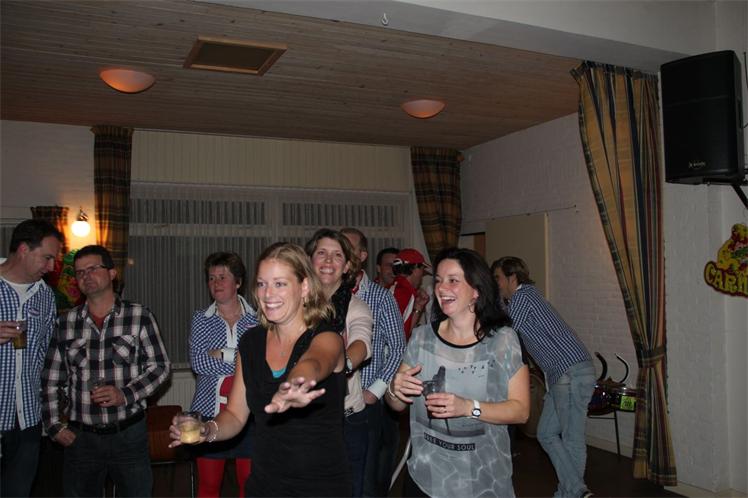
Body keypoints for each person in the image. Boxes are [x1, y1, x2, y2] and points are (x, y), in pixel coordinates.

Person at [169, 242, 351, 497]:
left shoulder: (327, 337)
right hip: (264, 483)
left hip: (320, 486)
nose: (267, 294)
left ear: (304, 287)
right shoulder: (251, 342)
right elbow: (235, 415)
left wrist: (295, 382)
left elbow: (315, 362)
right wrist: (206, 430)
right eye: (262, 284)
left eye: (280, 284)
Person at [386, 247, 530, 498]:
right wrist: (393, 389)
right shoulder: (422, 338)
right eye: (439, 280)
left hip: (482, 481)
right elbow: (396, 405)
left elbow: (521, 411)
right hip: (426, 478)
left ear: (476, 290)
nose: (441, 288)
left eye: (453, 280)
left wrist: (468, 407)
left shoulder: (502, 341)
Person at [42, 244, 171, 497]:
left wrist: (125, 394)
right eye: (80, 272)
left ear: (112, 273)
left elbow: (160, 367)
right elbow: (50, 380)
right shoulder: (66, 323)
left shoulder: (139, 316)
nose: (86, 276)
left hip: (129, 434)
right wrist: (54, 426)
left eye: (92, 269)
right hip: (81, 438)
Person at [493, 256, 595, 498]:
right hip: (564, 373)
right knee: (546, 433)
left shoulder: (523, 296)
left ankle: (573, 493)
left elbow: (505, 330)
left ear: (512, 277)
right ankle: (575, 490)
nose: (495, 283)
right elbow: (506, 321)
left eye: (497, 278)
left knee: (572, 437)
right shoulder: (523, 298)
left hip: (570, 372)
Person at [306, 229, 372, 497]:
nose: (328, 261)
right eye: (321, 253)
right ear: (310, 260)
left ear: (346, 266)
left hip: (346, 419)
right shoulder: (293, 305)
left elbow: (361, 344)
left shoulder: (356, 307)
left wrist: (340, 366)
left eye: (337, 255)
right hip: (303, 419)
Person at [340, 228, 406, 497]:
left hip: (365, 402)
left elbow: (399, 347)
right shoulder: (326, 295)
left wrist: (375, 391)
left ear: (363, 255)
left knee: (364, 481)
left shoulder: (380, 297)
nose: (342, 253)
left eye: (348, 247)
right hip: (330, 404)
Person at [0, 219, 63, 498]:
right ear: (24, 249)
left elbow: (45, 356)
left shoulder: (45, 296)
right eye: (47, 257)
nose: (51, 267)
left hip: (27, 417)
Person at [189, 252, 257, 498]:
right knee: (209, 486)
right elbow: (198, 363)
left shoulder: (258, 319)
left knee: (249, 486)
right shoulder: (201, 319)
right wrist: (242, 359)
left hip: (249, 415)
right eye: (211, 278)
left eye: (222, 277)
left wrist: (223, 354)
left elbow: (260, 364)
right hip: (209, 411)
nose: (215, 283)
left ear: (238, 282)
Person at [391, 248, 431, 340]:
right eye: (422, 269)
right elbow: (400, 337)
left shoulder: (395, 287)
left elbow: (405, 330)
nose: (422, 274)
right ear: (415, 268)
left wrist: (418, 306)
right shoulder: (404, 292)